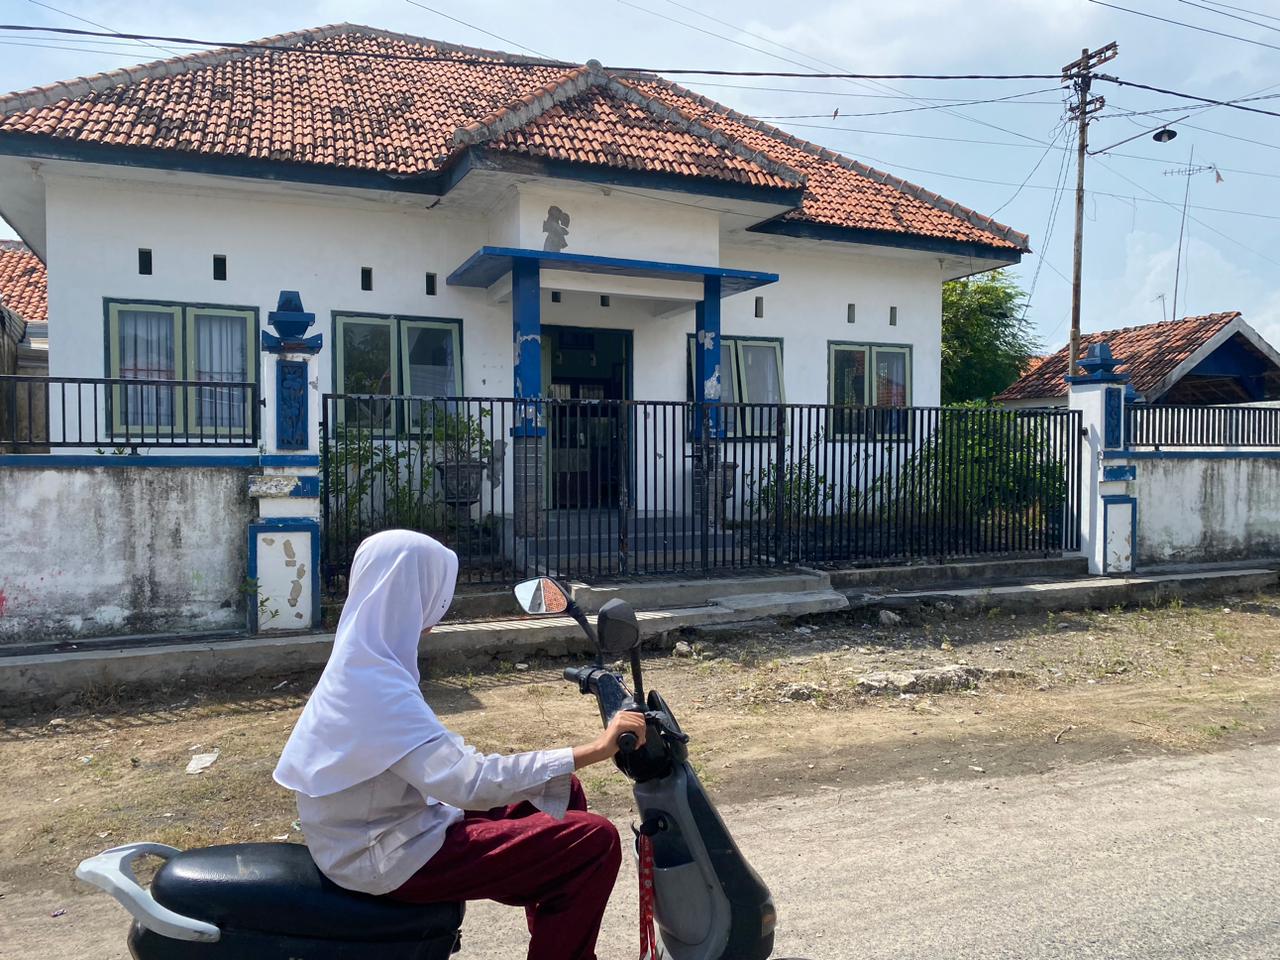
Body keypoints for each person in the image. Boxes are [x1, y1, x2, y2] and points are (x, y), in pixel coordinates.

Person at [274, 529, 645, 960]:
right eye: (435, 591)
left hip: (380, 827)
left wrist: (561, 767)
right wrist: (597, 749)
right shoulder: (375, 685)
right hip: (383, 855)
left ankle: (555, 936)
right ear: (410, 593)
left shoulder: (366, 661)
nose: (440, 607)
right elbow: (468, 785)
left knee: (561, 793)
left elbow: (440, 763)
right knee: (593, 841)